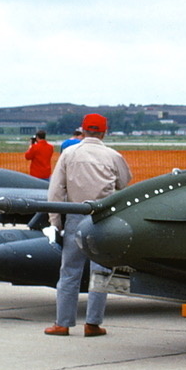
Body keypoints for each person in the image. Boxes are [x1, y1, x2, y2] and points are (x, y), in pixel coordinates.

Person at [45, 113, 132, 337]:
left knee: (69, 271)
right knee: (101, 272)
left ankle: (62, 323)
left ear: (82, 130)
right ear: (104, 132)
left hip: (75, 215)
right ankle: (93, 324)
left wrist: (55, 222)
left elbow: (55, 191)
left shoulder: (69, 154)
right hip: (103, 218)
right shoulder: (113, 155)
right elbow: (124, 182)